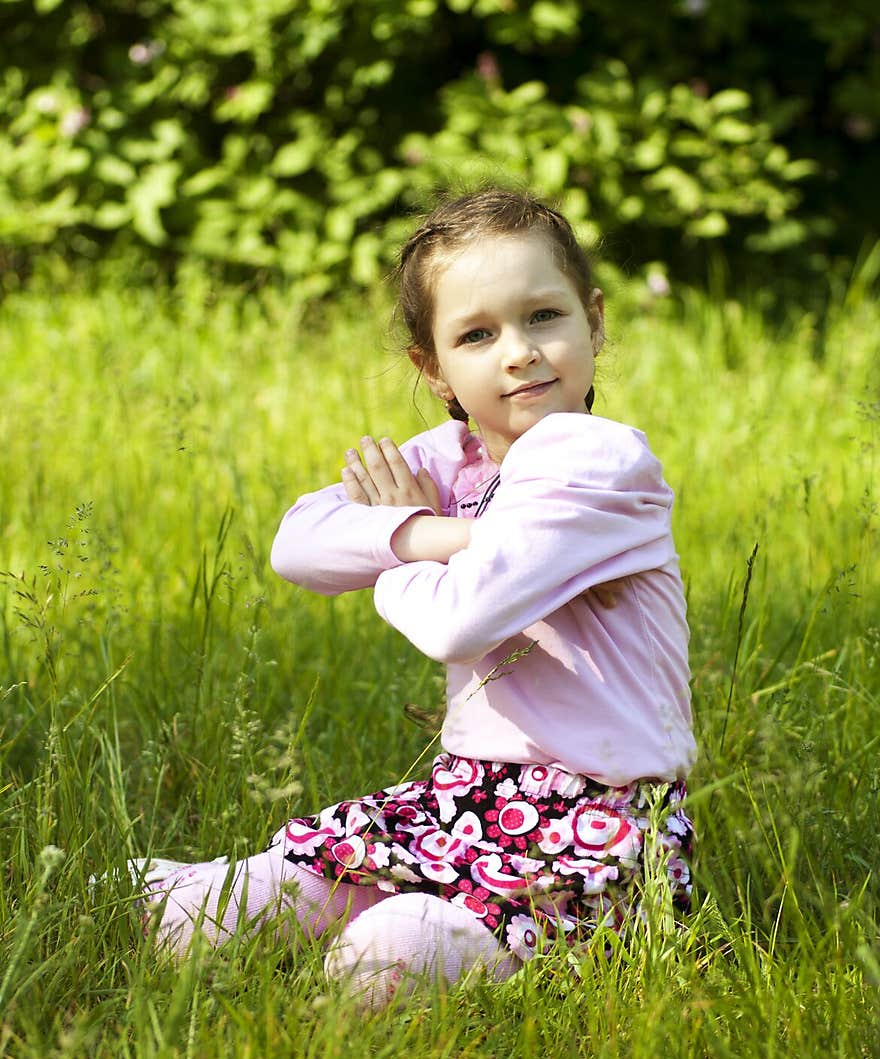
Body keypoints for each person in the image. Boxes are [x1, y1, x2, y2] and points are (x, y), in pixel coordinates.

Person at [132, 187, 697, 1010]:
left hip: (599, 830)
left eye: (544, 316)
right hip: (463, 801)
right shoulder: (462, 460)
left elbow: (454, 619)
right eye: (477, 334)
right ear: (432, 367)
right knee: (205, 916)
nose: (518, 353)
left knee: (387, 957)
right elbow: (298, 541)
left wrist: (399, 551)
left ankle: (420, 947)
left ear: (595, 321)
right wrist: (429, 531)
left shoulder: (597, 460)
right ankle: (201, 902)